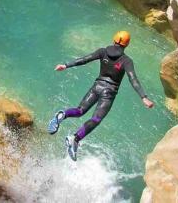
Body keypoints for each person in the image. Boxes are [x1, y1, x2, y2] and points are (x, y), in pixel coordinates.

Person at [48, 31, 154, 161]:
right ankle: (74, 139)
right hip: (109, 92)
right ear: (127, 44)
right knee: (96, 119)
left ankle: (61, 115)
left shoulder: (102, 51)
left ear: (113, 39)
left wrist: (65, 65)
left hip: (96, 87)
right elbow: (133, 79)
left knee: (80, 110)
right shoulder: (126, 61)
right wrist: (143, 97)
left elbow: (84, 59)